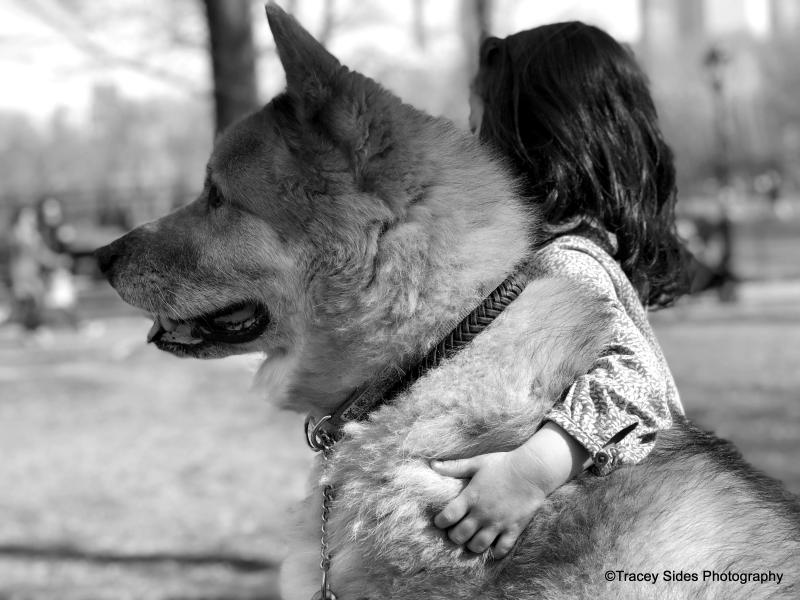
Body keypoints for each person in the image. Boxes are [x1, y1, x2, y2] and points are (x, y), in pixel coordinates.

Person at [431, 22, 687, 559]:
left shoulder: (564, 264)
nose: (472, 146)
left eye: (480, 125)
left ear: (529, 139)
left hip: (635, 553)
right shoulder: (576, 255)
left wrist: (528, 474)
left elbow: (633, 382)